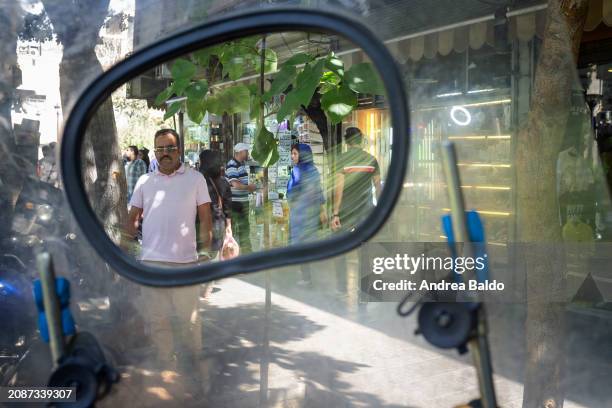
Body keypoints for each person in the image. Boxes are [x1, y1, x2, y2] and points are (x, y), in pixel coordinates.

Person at [125, 129, 212, 389]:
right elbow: (132, 220)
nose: (164, 153)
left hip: (186, 264)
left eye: (170, 148)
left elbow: (205, 218)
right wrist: (121, 251)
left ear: (179, 150)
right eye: (159, 149)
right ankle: (168, 372)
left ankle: (196, 368)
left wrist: (206, 253)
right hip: (151, 264)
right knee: (158, 321)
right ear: (154, 151)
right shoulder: (144, 182)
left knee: (190, 322)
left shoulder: (195, 179)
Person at [331, 127, 381, 293]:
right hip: (366, 211)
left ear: (347, 142)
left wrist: (335, 213)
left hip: (345, 212)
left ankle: (341, 287)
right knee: (365, 250)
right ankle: (364, 287)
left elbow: (339, 188)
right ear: (361, 141)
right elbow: (378, 187)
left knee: (340, 246)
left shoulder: (342, 160)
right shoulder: (371, 160)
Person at [286, 143, 327, 285]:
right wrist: (322, 211)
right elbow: (318, 192)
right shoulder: (314, 170)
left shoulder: (297, 171)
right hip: (312, 213)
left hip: (300, 214)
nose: (292, 156)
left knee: (299, 243)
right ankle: (306, 274)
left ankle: (306, 277)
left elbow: (291, 193)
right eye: (292, 153)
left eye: (295, 153)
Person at [199, 149, 233, 259]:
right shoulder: (224, 182)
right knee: (214, 260)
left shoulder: (197, 182)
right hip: (218, 226)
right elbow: (227, 209)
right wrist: (229, 228)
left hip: (200, 228)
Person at [226, 143, 256, 254]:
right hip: (236, 203)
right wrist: (249, 187)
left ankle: (246, 253)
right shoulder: (232, 164)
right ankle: (236, 254)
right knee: (237, 230)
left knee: (244, 229)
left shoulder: (241, 164)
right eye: (246, 151)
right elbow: (235, 184)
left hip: (242, 202)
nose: (248, 153)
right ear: (241, 152)